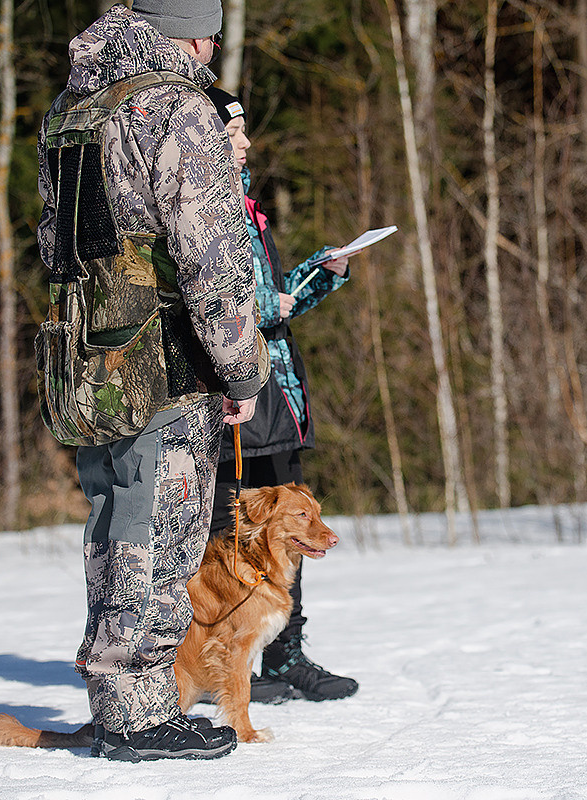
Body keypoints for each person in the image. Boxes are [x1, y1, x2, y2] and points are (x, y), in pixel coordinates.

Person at [35, 0, 265, 762]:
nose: (211, 48)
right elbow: (215, 264)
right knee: (160, 529)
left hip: (87, 353)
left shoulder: (75, 106)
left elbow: (52, 240)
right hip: (162, 355)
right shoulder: (179, 109)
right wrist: (242, 369)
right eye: (210, 33)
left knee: (113, 525)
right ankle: (136, 714)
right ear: (190, 30)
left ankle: (124, 702)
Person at [204, 86, 359, 704]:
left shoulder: (246, 205)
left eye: (245, 129)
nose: (246, 142)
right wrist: (269, 303)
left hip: (276, 392)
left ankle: (284, 653)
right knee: (228, 528)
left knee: (289, 526)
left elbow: (275, 299)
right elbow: (206, 292)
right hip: (227, 389)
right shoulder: (196, 199)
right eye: (234, 130)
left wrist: (323, 272)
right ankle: (233, 656)